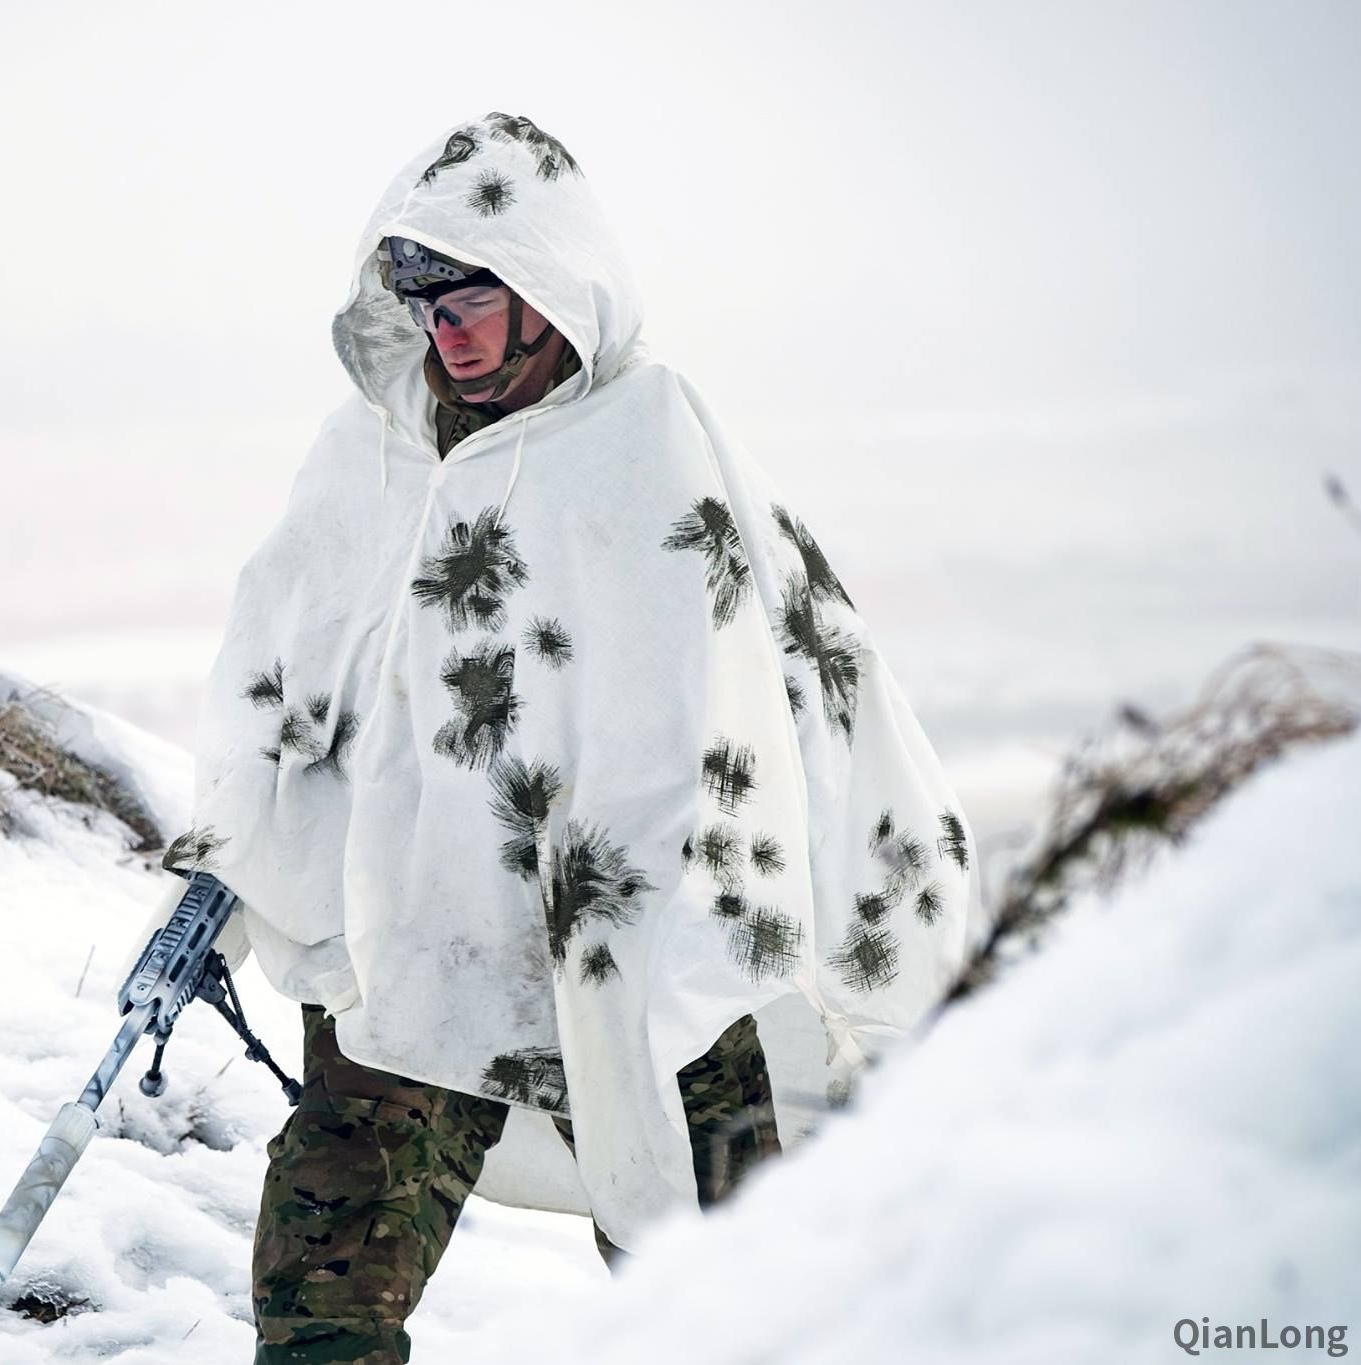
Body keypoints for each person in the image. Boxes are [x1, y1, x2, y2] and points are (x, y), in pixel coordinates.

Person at [165, 112, 977, 1365]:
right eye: (418, 295)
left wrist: (667, 901)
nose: (446, 330)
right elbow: (288, 662)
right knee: (323, 1293)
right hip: (419, 924)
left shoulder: (649, 447)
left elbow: (763, 694)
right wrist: (246, 829)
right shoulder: (373, 452)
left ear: (549, 289)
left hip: (652, 922)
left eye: (474, 294)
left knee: (723, 1287)